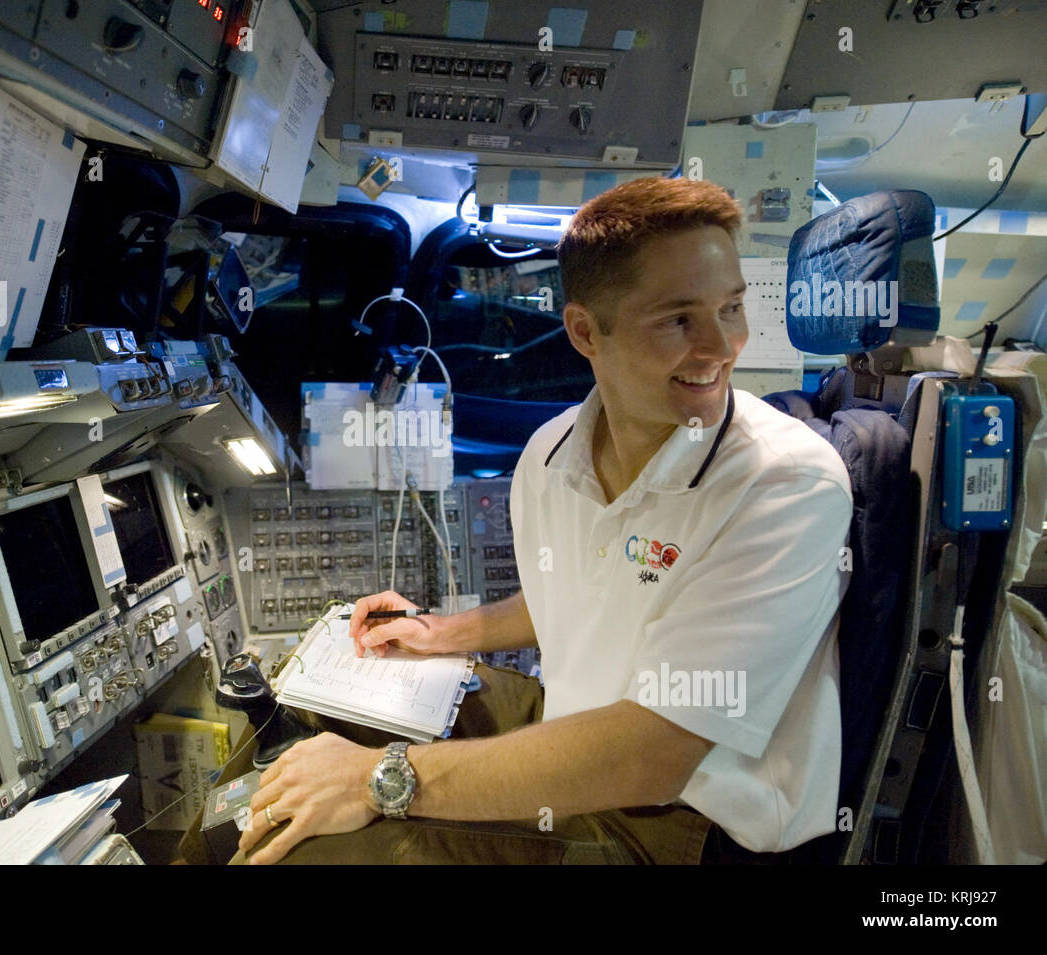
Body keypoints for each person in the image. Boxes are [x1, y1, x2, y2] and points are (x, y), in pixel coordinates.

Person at [233, 177, 852, 865]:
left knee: (312, 852)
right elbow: (583, 594)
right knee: (312, 706)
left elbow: (652, 755)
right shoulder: (550, 454)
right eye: (679, 320)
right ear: (585, 331)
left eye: (731, 308)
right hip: (576, 720)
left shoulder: (785, 484)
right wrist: (443, 632)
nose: (723, 346)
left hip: (681, 820)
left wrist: (374, 779)